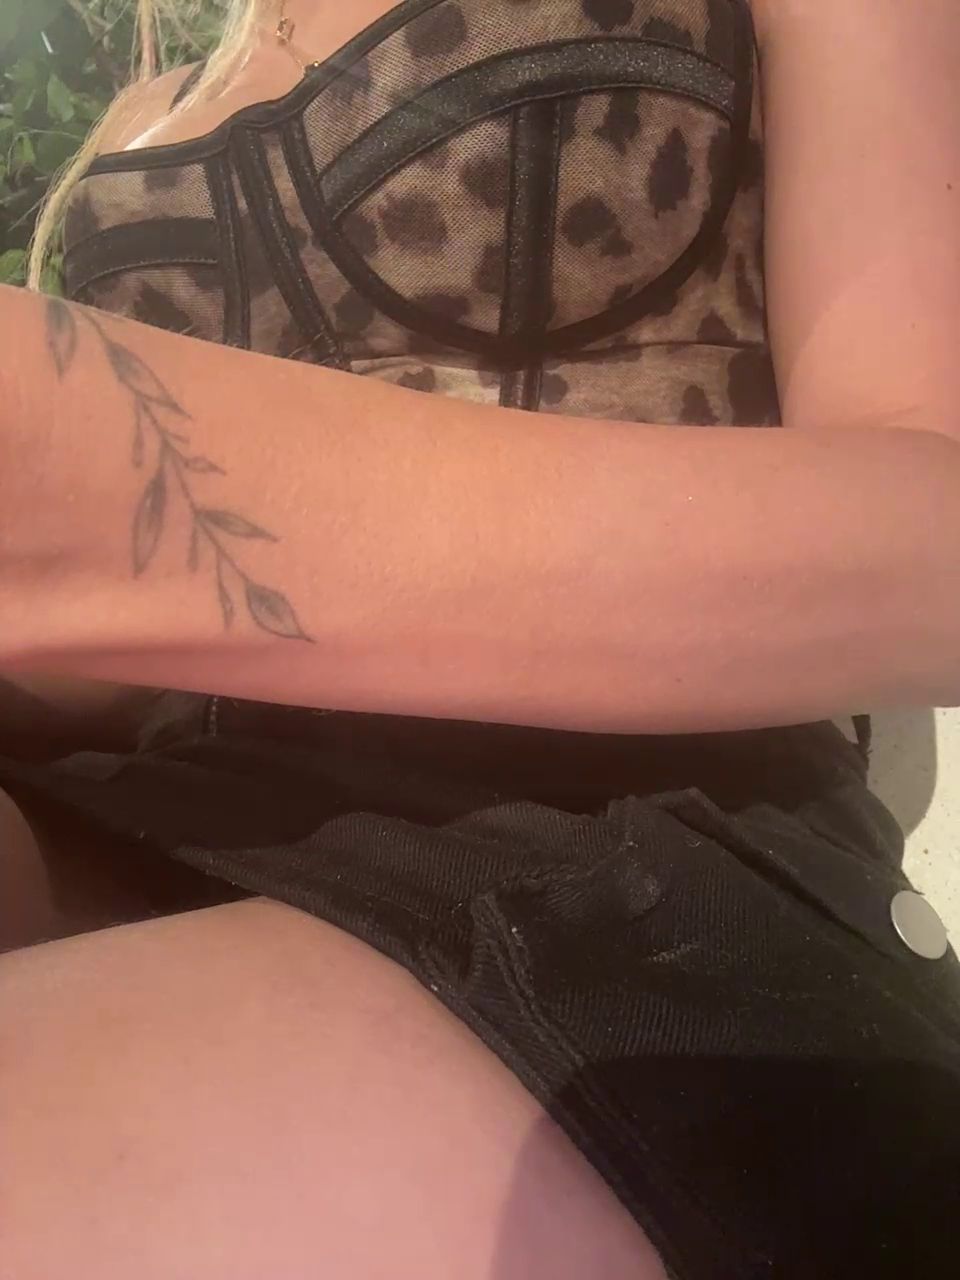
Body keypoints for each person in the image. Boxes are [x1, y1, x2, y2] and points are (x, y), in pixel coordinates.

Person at [1, 0, 958, 1275]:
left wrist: (139, 494)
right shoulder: (145, 107)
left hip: (635, 850)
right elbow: (109, 643)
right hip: (161, 804)